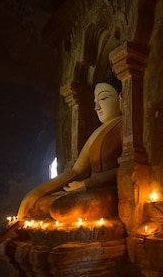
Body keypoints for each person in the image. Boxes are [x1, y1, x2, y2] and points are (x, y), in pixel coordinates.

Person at [17, 76, 123, 222]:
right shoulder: (96, 133)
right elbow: (76, 171)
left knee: (65, 207)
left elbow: (126, 168)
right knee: (37, 205)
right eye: (95, 101)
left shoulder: (124, 125)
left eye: (103, 98)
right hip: (88, 191)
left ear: (122, 98)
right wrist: (36, 192)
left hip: (112, 192)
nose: (97, 107)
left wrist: (86, 184)